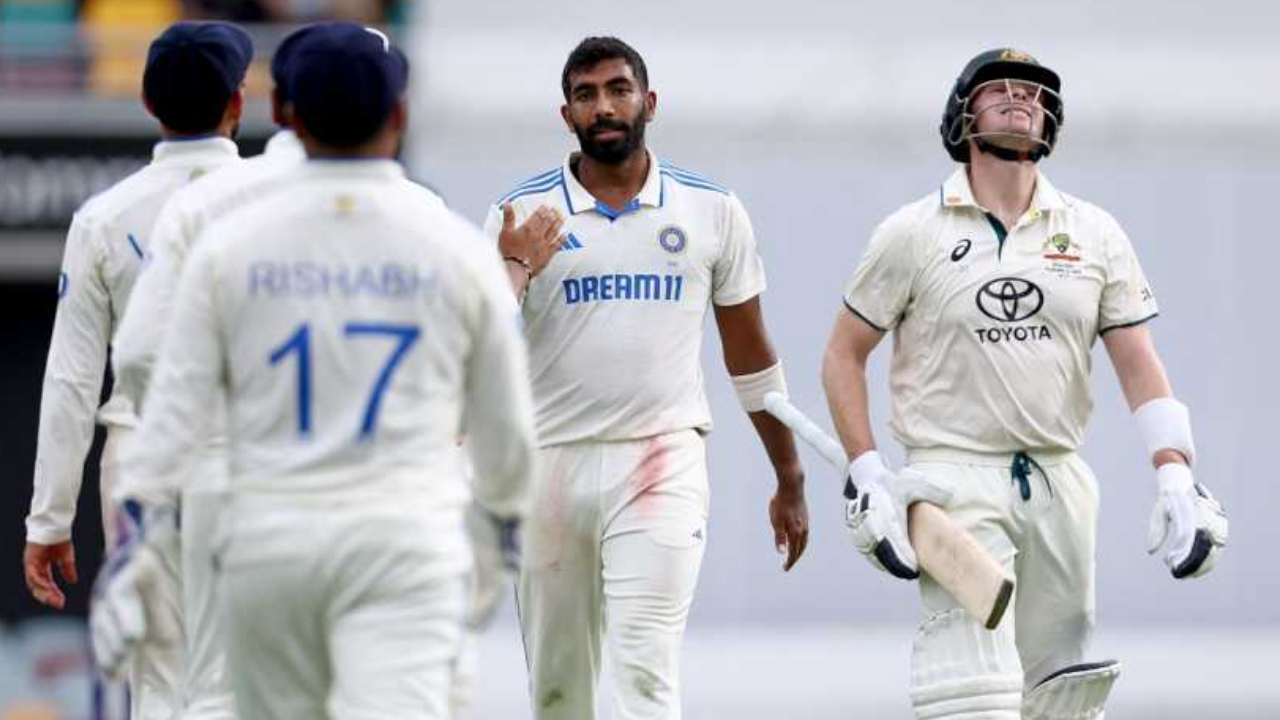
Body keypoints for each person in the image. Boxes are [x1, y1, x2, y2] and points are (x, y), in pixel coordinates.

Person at [88, 23, 535, 720]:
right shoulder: (452, 243)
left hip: (266, 529)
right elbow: (506, 426)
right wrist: (496, 533)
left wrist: (142, 535)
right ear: (399, 115)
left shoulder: (225, 237)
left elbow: (147, 365)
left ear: (285, 114)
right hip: (403, 532)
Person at [821, 48, 1229, 720]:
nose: (1020, 99)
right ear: (963, 114)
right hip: (954, 477)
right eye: (1000, 90)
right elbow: (842, 354)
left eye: (1035, 94)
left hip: (1060, 482)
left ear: (1050, 120)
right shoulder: (912, 232)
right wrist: (867, 474)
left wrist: (1175, 473)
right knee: (971, 694)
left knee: (1060, 697)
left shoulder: (1094, 232)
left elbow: (1138, 361)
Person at [488, 35, 809, 720]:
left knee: (646, 676)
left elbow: (750, 356)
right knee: (556, 690)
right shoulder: (518, 212)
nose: (604, 107)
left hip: (660, 459)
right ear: (566, 114)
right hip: (548, 465)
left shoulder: (711, 209)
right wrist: (514, 269)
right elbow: (478, 344)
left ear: (648, 102)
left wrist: (789, 475)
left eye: (617, 90)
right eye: (586, 95)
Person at [22, 21, 251, 720]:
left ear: (150, 105)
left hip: (143, 467)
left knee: (156, 679)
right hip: (255, 463)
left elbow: (71, 378)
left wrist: (48, 518)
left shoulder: (103, 217)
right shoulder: (273, 201)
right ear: (238, 103)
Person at [108, 23, 315, 720]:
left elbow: (132, 358)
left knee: (195, 685)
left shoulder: (198, 206)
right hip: (347, 479)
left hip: (205, 464)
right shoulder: (423, 215)